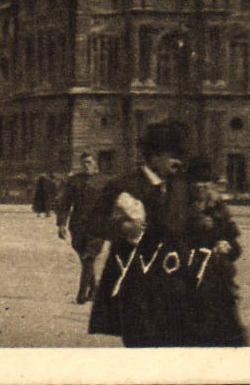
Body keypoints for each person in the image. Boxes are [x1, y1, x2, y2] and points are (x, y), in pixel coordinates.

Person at [87, 120, 193, 346]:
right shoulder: (125, 184)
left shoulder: (180, 186)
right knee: (141, 341)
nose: (177, 161)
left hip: (173, 278)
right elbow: (94, 222)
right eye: (171, 155)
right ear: (154, 157)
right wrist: (120, 228)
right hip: (135, 278)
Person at [180, 156, 248, 346]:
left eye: (206, 181)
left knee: (228, 337)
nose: (202, 186)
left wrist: (227, 246)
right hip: (188, 284)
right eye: (197, 182)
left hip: (219, 284)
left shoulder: (218, 208)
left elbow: (235, 246)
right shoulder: (178, 212)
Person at [56, 153, 108, 303]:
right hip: (77, 225)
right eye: (84, 162)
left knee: (89, 257)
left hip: (97, 225)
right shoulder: (74, 181)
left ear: (96, 164)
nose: (86, 165)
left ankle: (81, 295)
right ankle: (95, 289)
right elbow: (65, 203)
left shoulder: (104, 182)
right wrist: (61, 224)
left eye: (89, 162)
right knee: (84, 256)